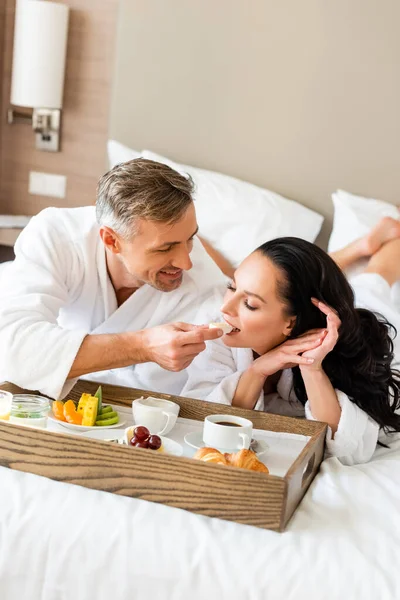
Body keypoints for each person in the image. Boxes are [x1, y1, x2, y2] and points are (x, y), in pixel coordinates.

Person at [0, 159, 226, 399]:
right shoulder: (58, 237)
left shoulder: (208, 289)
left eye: (191, 239)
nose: (185, 263)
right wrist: (142, 346)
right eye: (165, 248)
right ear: (111, 240)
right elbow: (12, 348)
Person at [182, 220, 400, 465]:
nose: (226, 308)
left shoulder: (342, 347)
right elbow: (204, 418)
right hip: (303, 303)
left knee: (374, 281)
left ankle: (387, 237)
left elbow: (349, 451)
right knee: (293, 282)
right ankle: (359, 247)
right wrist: (258, 370)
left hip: (363, 316)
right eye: (231, 287)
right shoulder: (216, 329)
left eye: (250, 304)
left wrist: (311, 366)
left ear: (291, 324)